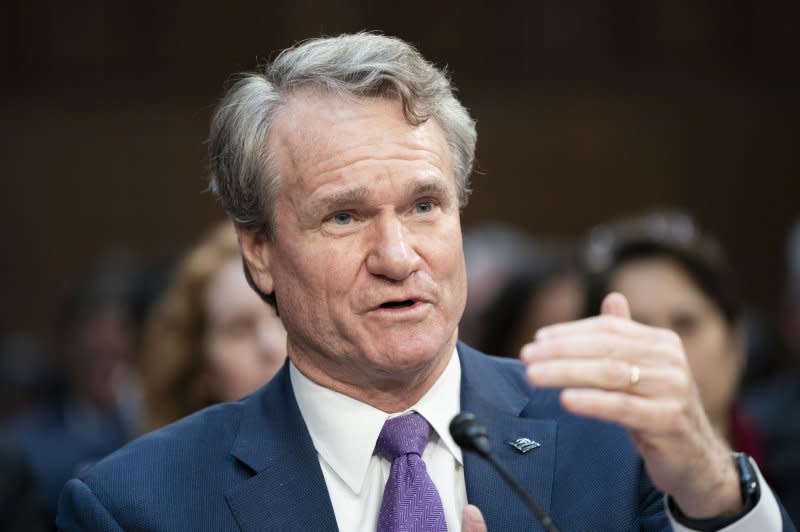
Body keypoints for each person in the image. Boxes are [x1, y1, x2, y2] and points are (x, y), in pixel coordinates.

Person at [57, 33, 794, 531]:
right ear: (260, 251)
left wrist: (711, 489)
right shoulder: (138, 505)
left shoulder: (612, 443)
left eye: (424, 205)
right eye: (344, 217)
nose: (398, 255)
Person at [139, 221, 287, 430]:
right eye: (239, 329)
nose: (271, 345)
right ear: (202, 370)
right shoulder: (157, 461)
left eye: (286, 317)